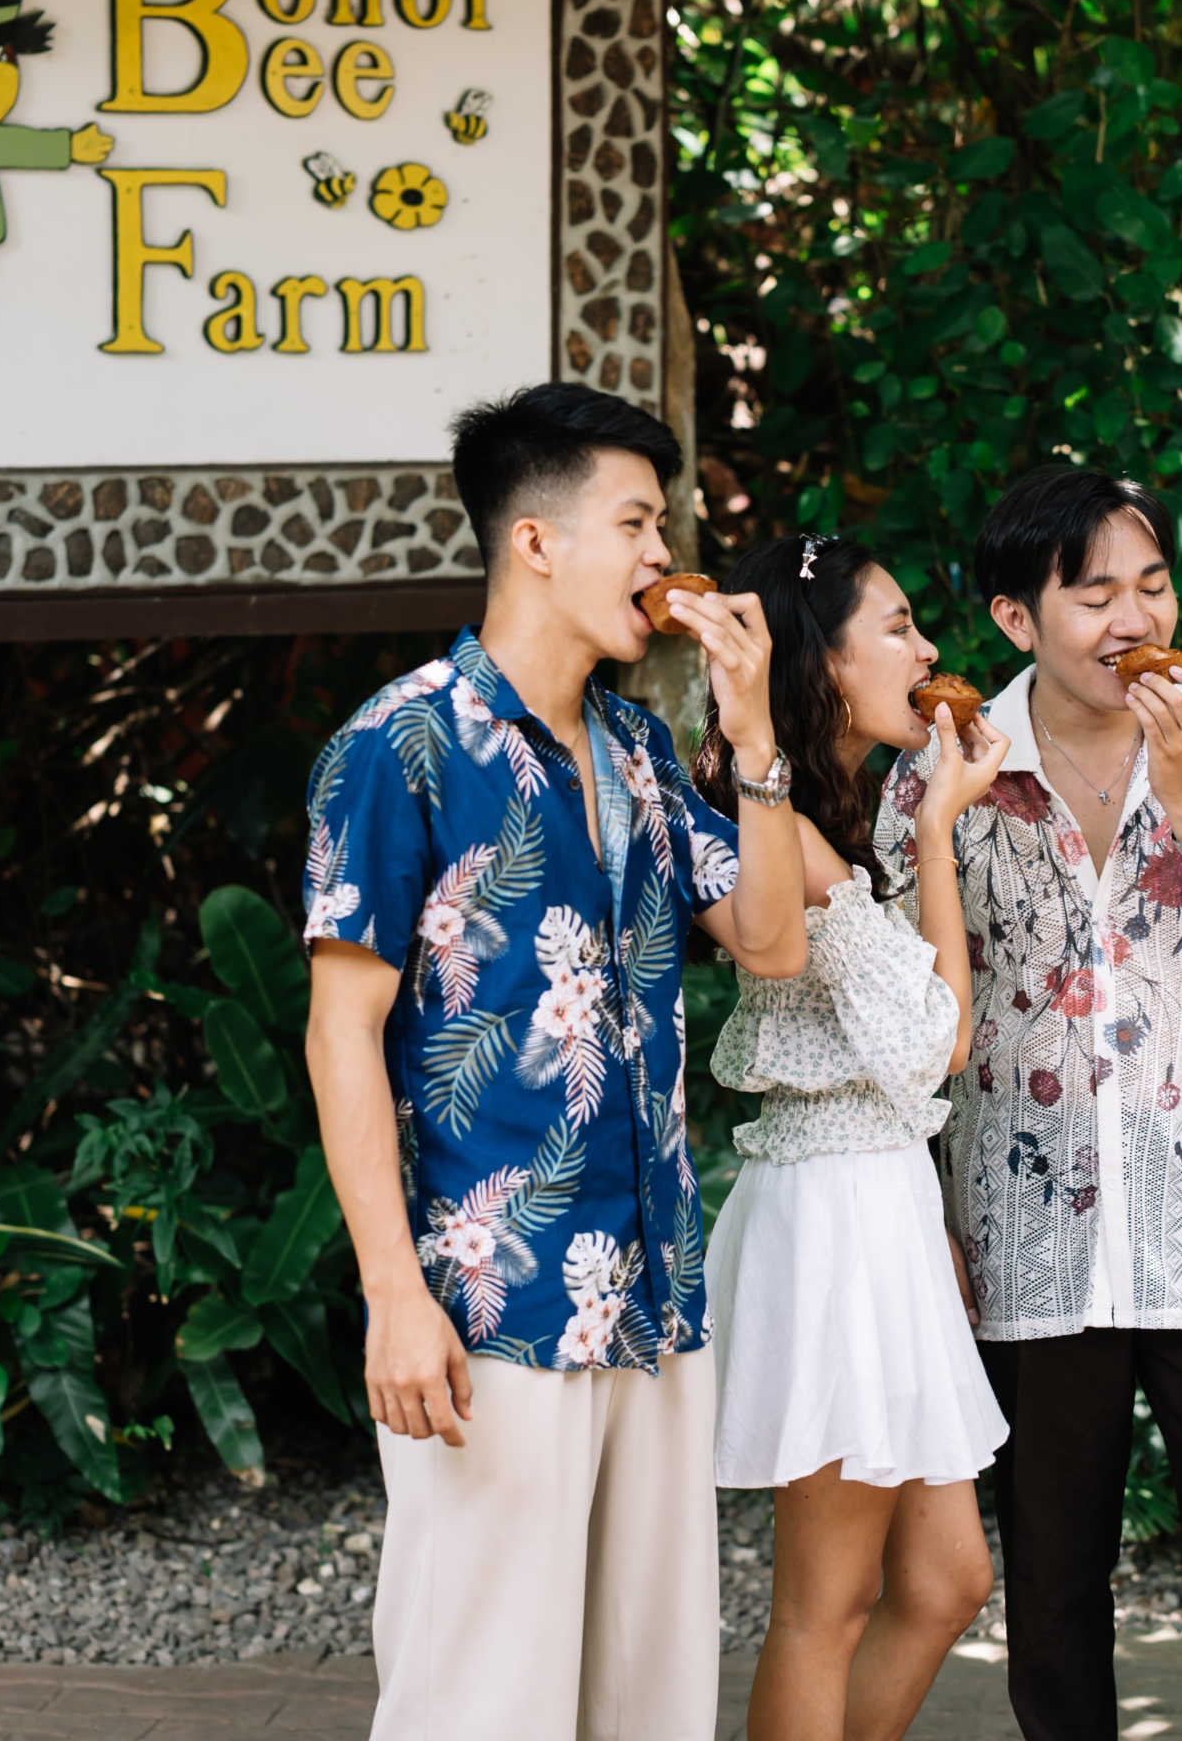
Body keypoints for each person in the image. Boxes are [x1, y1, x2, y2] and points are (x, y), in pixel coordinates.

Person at [299, 382, 811, 1741]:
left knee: (646, 1704)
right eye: (637, 521)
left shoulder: (642, 748)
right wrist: (392, 1297)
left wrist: (754, 738)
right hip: (489, 1303)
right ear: (536, 542)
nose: (662, 554)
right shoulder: (395, 746)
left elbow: (768, 941)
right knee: (481, 1701)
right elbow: (340, 1029)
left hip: (650, 1292)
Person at [875, 466, 1182, 1741]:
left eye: (1152, 584)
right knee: (1054, 1578)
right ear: (1017, 619)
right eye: (1094, 595)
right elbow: (913, 1024)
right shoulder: (947, 773)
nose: (1133, 618)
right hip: (1026, 1235)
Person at [691, 533, 1012, 1741]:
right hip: (832, 1215)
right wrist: (937, 828)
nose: (928, 650)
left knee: (945, 1582)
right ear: (818, 663)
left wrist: (918, 816)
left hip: (883, 1200)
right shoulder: (776, 826)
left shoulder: (842, 812)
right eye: (897, 626)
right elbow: (940, 1039)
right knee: (827, 1600)